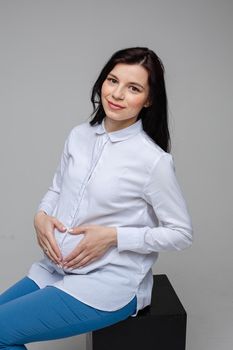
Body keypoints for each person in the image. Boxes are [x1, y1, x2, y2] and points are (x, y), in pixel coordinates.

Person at [0, 47, 193, 349]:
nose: (117, 94)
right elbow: (56, 189)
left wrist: (114, 237)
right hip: (55, 269)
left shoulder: (153, 161)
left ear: (149, 99)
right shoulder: (78, 135)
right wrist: (40, 217)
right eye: (112, 80)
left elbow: (180, 234)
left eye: (133, 88)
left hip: (107, 284)